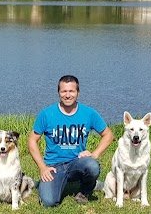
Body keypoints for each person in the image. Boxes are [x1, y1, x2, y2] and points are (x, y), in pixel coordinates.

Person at [28, 75, 114, 207]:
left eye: (71, 91)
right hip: (54, 166)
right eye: (64, 91)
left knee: (92, 166)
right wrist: (42, 167)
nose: (67, 95)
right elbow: (32, 140)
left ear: (78, 92)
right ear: (58, 92)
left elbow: (108, 135)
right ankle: (47, 184)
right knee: (48, 202)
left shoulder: (89, 113)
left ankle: (85, 191)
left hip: (77, 162)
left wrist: (94, 154)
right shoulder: (47, 114)